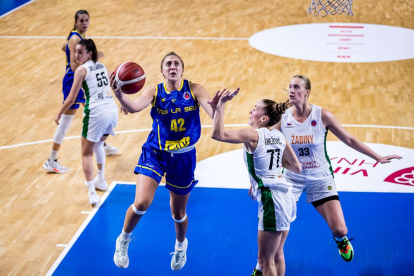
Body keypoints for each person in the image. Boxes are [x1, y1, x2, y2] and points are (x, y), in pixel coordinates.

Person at [251, 75, 402, 275]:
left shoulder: (322, 115)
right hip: (290, 180)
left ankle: (341, 240)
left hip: (320, 178)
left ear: (307, 92)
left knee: (341, 229)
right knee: (277, 235)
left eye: (296, 87)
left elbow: (349, 138)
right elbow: (268, 145)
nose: (291, 90)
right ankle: (260, 267)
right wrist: (257, 181)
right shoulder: (284, 119)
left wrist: (377, 157)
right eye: (289, 87)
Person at [111, 52, 218, 271]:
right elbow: (133, 107)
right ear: (162, 71)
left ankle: (180, 245)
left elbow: (214, 114)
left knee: (178, 213)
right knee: (141, 203)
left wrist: (220, 106)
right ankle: (123, 239)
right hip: (155, 153)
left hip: (184, 157)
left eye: (176, 63)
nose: (172, 67)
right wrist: (118, 94)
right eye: (168, 64)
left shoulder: (195, 90)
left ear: (182, 69)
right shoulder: (154, 91)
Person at [209, 89, 301, 276]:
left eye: (255, 109)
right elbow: (296, 167)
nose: (251, 111)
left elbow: (218, 135)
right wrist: (265, 172)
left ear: (264, 119)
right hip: (285, 197)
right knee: (277, 255)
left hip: (271, 199)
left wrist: (221, 106)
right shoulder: (279, 137)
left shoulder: (252, 134)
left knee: (265, 261)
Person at [44, 10, 117, 174]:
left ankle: (101, 144)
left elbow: (64, 47)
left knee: (94, 110)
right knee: (66, 123)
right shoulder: (76, 38)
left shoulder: (74, 36)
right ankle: (51, 160)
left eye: (86, 20)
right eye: (81, 21)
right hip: (73, 81)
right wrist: (93, 60)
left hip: (80, 80)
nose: (84, 23)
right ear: (76, 22)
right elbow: (74, 65)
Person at [54, 39, 118, 205]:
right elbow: (113, 87)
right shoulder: (103, 66)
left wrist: (59, 113)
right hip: (112, 111)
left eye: (80, 52)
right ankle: (101, 180)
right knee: (97, 146)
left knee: (85, 153)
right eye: (75, 51)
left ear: (90, 53)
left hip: (96, 113)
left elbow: (71, 98)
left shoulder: (81, 70)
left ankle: (91, 193)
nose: (76, 55)